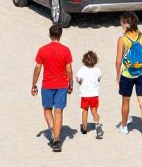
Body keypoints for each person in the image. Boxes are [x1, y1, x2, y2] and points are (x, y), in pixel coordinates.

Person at [32, 23, 73, 152]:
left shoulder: (43, 50)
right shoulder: (66, 50)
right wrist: (70, 83)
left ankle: (53, 132)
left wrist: (34, 83)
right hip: (61, 85)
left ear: (50, 35)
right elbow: (69, 69)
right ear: (60, 35)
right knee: (59, 111)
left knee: (47, 109)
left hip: (47, 85)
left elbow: (38, 67)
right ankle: (56, 138)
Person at [115, 12, 142, 144]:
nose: (121, 24)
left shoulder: (122, 39)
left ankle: (124, 126)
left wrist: (117, 75)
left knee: (125, 101)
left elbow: (118, 61)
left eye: (122, 22)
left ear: (126, 24)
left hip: (127, 75)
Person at [76, 50, 103, 138]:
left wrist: (82, 82)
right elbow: (99, 79)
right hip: (94, 94)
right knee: (94, 111)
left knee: (85, 111)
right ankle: (98, 126)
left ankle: (84, 128)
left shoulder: (81, 70)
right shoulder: (98, 70)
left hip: (85, 95)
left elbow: (79, 80)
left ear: (84, 60)